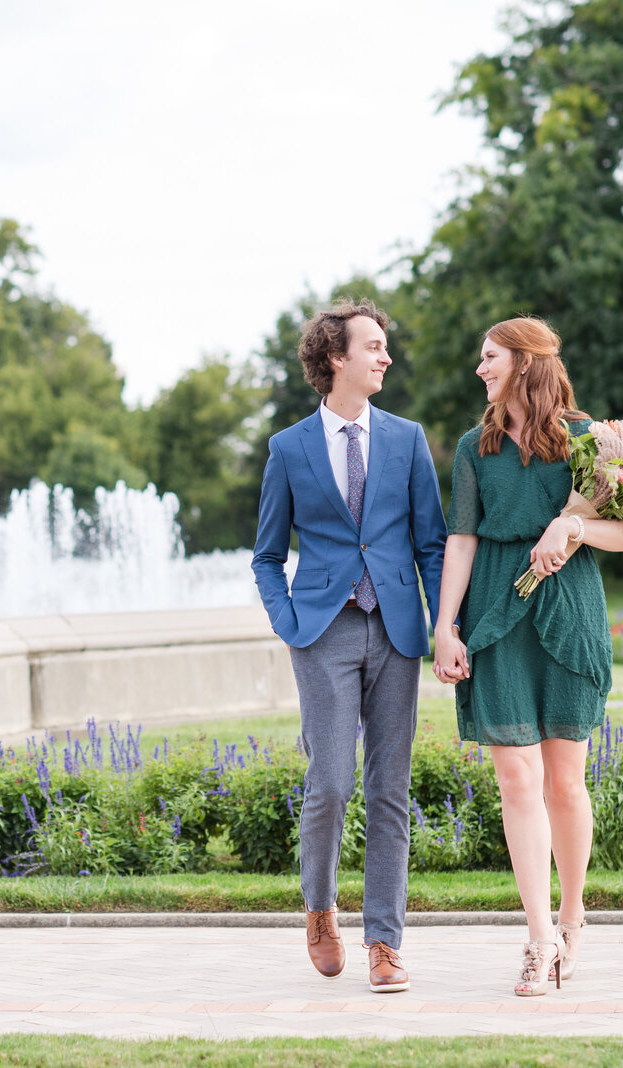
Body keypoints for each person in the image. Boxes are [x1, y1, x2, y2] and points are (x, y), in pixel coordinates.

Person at [430, 317, 623, 996]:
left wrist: (573, 524)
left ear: (523, 363)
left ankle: (573, 917)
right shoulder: (475, 446)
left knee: (563, 782)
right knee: (517, 782)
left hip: (568, 610)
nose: (479, 369)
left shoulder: (593, 442)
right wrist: (445, 626)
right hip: (496, 610)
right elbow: (460, 539)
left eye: (489, 357)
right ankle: (538, 938)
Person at [252, 299, 446, 992]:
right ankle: (320, 908)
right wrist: (287, 619)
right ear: (336, 357)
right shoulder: (288, 449)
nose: (385, 356)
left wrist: (441, 625)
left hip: (396, 628)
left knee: (389, 788)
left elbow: (430, 543)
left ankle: (385, 943)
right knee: (330, 783)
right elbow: (266, 556)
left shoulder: (407, 438)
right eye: (373, 346)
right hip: (323, 630)